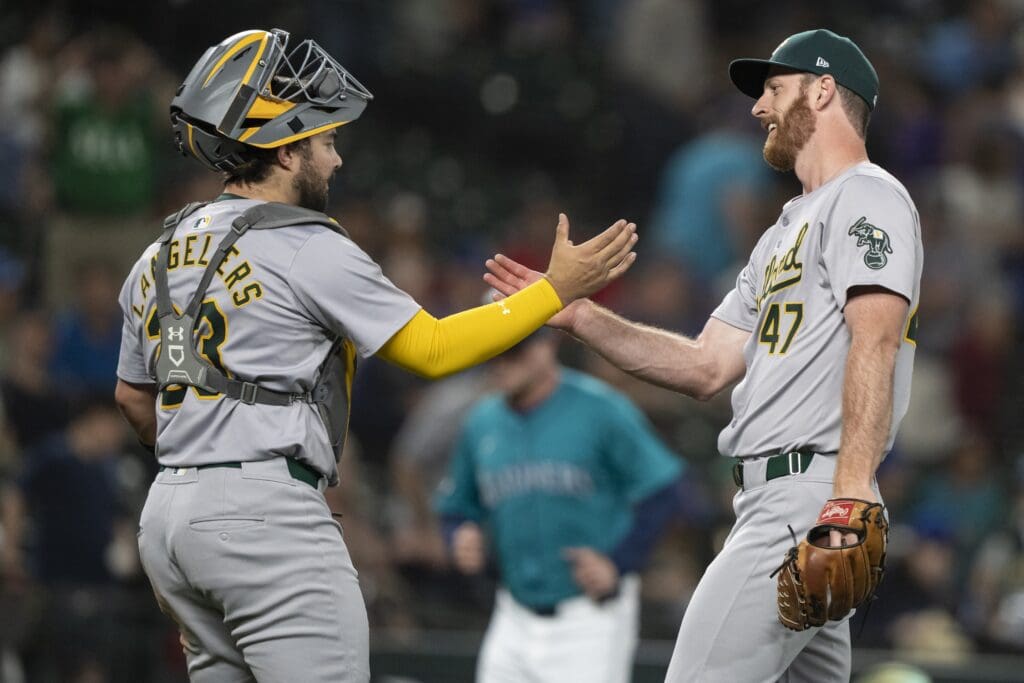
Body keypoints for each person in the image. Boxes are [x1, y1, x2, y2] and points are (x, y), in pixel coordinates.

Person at [113, 28, 636, 683]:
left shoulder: (156, 256)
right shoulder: (307, 244)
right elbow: (434, 349)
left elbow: (134, 398)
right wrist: (555, 289)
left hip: (169, 520)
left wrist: (204, 459)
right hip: (263, 516)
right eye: (326, 141)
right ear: (284, 147)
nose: (335, 161)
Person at [485, 29, 922, 682]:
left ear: (823, 90)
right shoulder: (781, 234)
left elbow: (877, 338)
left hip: (810, 497)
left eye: (774, 88)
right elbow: (703, 364)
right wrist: (578, 315)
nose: (758, 108)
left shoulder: (867, 196)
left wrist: (851, 488)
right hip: (790, 496)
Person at [435, 330, 682, 683]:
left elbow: (665, 492)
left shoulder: (600, 409)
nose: (500, 363)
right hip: (512, 613)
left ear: (548, 344)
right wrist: (458, 534)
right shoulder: (481, 422)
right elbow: (456, 506)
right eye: (492, 351)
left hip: (589, 617)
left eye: (513, 351)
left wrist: (620, 562)